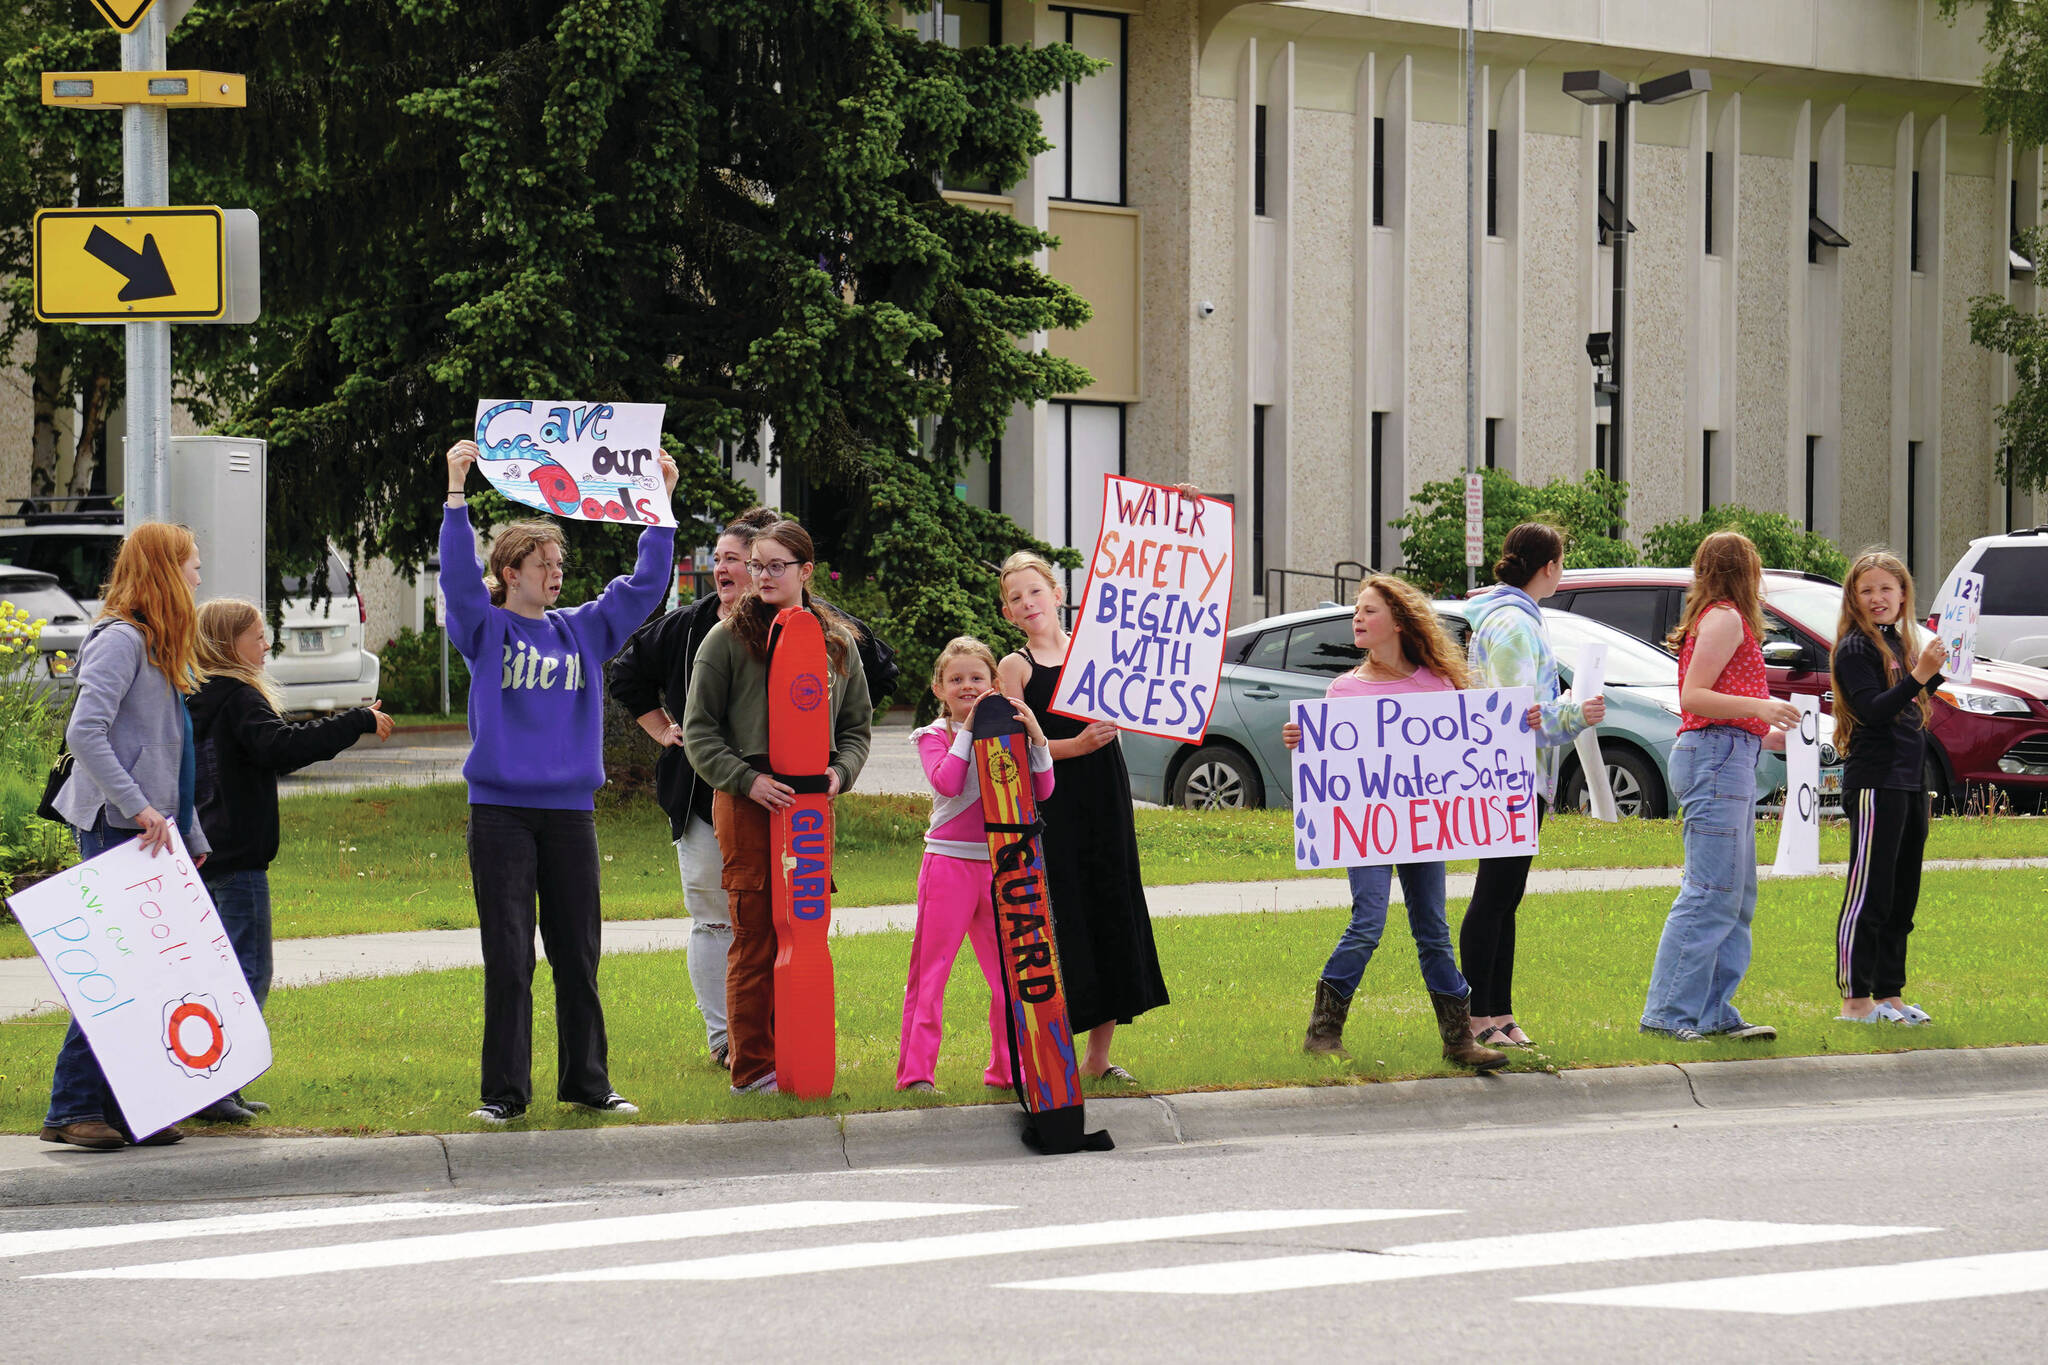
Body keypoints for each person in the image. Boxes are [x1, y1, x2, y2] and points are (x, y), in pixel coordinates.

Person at [442, 437, 679, 1124]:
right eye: (544, 563)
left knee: (578, 954)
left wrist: (659, 504)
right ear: (510, 571)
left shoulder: (583, 631)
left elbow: (644, 588)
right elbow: (457, 580)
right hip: (500, 814)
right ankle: (503, 1095)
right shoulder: (483, 629)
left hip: (571, 814)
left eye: (559, 564)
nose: (555, 573)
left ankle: (588, 1084)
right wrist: (456, 493)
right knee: (509, 957)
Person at [1281, 576, 1507, 1071]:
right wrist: (1303, 740)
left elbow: (1468, 747)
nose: (1357, 619)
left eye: (1369, 611)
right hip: (1368, 827)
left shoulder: (1437, 684)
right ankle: (1323, 1033)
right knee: (1368, 922)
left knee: (1433, 930)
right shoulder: (1343, 690)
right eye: (1356, 611)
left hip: (1423, 826)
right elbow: (1334, 763)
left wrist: (1518, 727)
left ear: (1399, 622)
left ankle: (1458, 1040)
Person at [186, 597, 397, 1121]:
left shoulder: (196, 697)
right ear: (228, 643)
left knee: (218, 977)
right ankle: (215, 1089)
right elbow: (281, 747)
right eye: (257, 636)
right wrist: (356, 720)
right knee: (248, 973)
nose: (266, 645)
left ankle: (216, 1085)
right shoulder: (238, 697)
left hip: (204, 855)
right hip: (238, 860)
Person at [682, 519, 872, 1096]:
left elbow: (856, 728)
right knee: (756, 935)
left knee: (806, 930)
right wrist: (748, 780)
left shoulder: (836, 643)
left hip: (810, 805)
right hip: (749, 803)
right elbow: (699, 733)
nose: (761, 576)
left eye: (775, 567)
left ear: (805, 571)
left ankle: (801, 1055)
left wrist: (840, 772)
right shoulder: (726, 640)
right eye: (756, 565)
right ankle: (753, 1069)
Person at [41, 523, 211, 1151]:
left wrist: (189, 830)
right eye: (192, 565)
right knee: (118, 973)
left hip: (147, 830)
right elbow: (85, 733)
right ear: (166, 570)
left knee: (148, 976)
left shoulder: (156, 642)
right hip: (115, 826)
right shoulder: (119, 640)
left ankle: (129, 1107)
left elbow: (174, 752)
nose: (198, 576)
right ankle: (73, 1108)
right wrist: (139, 806)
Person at [606, 506, 781, 1071]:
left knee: (781, 914)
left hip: (782, 794)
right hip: (700, 795)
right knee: (714, 915)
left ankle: (780, 1031)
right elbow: (626, 674)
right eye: (718, 559)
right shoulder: (687, 625)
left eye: (735, 559)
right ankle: (725, 1038)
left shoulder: (800, 622)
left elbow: (869, 664)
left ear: (765, 567)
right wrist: (663, 729)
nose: (721, 569)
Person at [996, 551, 1168, 1083]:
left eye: (1035, 591)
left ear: (1057, 594)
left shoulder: (1095, 650)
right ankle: (1052, 1054)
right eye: (1016, 598)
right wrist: (1076, 745)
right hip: (1052, 799)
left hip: (1105, 793)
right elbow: (1011, 751)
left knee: (1110, 904)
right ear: (1006, 613)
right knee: (1062, 913)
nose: (1028, 603)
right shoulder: (1014, 667)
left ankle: (1098, 1057)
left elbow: (1143, 680)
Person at [1639, 531, 1802, 1043]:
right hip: (1715, 759)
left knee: (1734, 894)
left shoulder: (1717, 617)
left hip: (1726, 755)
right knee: (1711, 891)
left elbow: (1717, 702)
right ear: (1746, 571)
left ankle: (1711, 1011)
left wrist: (1766, 732)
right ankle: (1668, 1014)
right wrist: (1761, 709)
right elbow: (1695, 697)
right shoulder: (1727, 618)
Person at [1459, 523, 1606, 1048]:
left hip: (1515, 776)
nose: (1562, 571)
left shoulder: (1511, 617)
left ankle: (1499, 1012)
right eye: (1561, 562)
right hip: (1509, 777)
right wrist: (1578, 712)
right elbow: (1518, 714)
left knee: (1505, 898)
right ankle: (1477, 1016)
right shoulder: (1515, 625)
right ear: (1549, 567)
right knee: (1494, 897)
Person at [898, 637, 1052, 1094]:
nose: (967, 686)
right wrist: (968, 729)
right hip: (948, 865)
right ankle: (916, 1075)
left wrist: (1038, 739)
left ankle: (1007, 1071)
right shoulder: (934, 736)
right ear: (939, 688)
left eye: (977, 678)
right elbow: (946, 783)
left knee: (1008, 976)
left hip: (1001, 866)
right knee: (931, 975)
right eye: (956, 679)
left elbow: (1043, 790)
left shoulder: (1009, 732)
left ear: (994, 684)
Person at [1828, 549, 1946, 1026]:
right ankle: (1855, 1002)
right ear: (1853, 598)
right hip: (1876, 782)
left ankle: (1890, 995)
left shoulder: (1896, 641)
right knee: (1870, 894)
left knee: (1901, 895)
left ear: (1903, 594)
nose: (1877, 598)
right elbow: (1874, 709)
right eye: (1866, 590)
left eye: (1886, 589)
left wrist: (1935, 671)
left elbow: (1908, 699)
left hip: (1909, 780)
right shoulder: (1855, 648)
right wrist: (1919, 676)